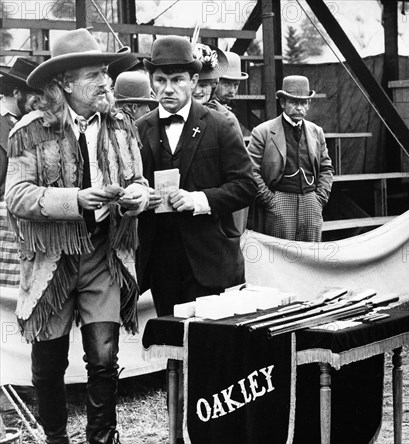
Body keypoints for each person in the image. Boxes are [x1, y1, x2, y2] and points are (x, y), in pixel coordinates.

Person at [5, 28, 149, 444]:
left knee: (104, 357)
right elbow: (16, 196)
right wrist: (76, 199)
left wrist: (137, 194)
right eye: (93, 75)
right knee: (47, 364)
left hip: (104, 255)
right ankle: (56, 438)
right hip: (52, 262)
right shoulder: (31, 131)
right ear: (65, 83)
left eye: (106, 72)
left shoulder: (121, 125)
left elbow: (136, 176)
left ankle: (102, 438)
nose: (106, 82)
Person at [136, 35, 256, 317]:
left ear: (193, 80)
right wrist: (140, 197)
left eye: (177, 80)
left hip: (210, 258)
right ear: (151, 81)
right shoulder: (139, 129)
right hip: (160, 262)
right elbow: (127, 186)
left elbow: (246, 186)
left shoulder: (221, 125)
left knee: (209, 348)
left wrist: (199, 200)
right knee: (171, 343)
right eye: (160, 80)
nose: (168, 89)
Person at [247, 75, 334, 242]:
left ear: (308, 105)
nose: (299, 107)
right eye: (294, 102)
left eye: (303, 103)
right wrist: (269, 200)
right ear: (283, 103)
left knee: (311, 257)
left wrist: (319, 198)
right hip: (279, 200)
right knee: (280, 258)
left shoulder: (316, 132)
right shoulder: (263, 132)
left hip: (311, 200)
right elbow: (251, 170)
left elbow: (326, 168)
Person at [0, 58, 39, 288]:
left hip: (24, 235)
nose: (39, 102)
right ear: (17, 92)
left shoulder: (31, 124)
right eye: (35, 95)